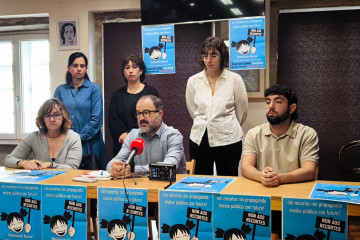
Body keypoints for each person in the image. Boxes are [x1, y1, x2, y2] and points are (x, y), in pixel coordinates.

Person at [186, 36, 248, 176]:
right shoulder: (193, 81)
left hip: (228, 138)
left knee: (228, 182)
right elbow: (193, 110)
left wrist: (225, 125)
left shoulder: (235, 79)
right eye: (205, 55)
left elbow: (242, 112)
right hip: (199, 138)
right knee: (200, 183)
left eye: (214, 55)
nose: (209, 60)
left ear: (222, 56)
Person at [241, 84, 319, 187]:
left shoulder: (307, 134)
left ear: (292, 108)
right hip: (263, 192)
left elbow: (309, 171)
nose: (271, 106)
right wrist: (262, 177)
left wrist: (279, 178)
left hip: (295, 192)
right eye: (268, 102)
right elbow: (245, 167)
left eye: (278, 102)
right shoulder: (254, 134)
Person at [107, 95, 186, 178]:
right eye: (138, 113)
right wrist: (114, 169)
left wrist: (134, 170)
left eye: (146, 113)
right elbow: (114, 161)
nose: (141, 118)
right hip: (142, 188)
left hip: (171, 188)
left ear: (160, 114)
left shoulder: (173, 136)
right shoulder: (132, 136)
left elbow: (168, 167)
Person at [54, 52, 108, 170]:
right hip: (66, 142)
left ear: (86, 68)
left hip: (90, 143)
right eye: (75, 65)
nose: (79, 69)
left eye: (82, 66)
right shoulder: (60, 90)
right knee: (67, 181)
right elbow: (56, 116)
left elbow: (97, 119)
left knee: (92, 181)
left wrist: (78, 138)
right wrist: (68, 139)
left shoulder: (94, 88)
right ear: (69, 68)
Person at [5, 98, 82, 169]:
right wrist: (23, 163)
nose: (52, 119)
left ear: (63, 116)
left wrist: (50, 164)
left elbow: (73, 168)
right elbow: (8, 160)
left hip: (64, 182)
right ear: (42, 119)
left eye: (56, 115)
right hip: (40, 183)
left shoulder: (73, 138)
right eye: (47, 115)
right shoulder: (33, 137)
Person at [108, 54, 159, 157]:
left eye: (134, 67)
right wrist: (123, 135)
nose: (130, 70)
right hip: (122, 144)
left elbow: (154, 118)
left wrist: (131, 135)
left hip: (145, 142)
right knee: (121, 171)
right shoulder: (116, 95)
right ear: (123, 72)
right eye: (127, 68)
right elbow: (113, 120)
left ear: (141, 71)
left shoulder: (151, 92)